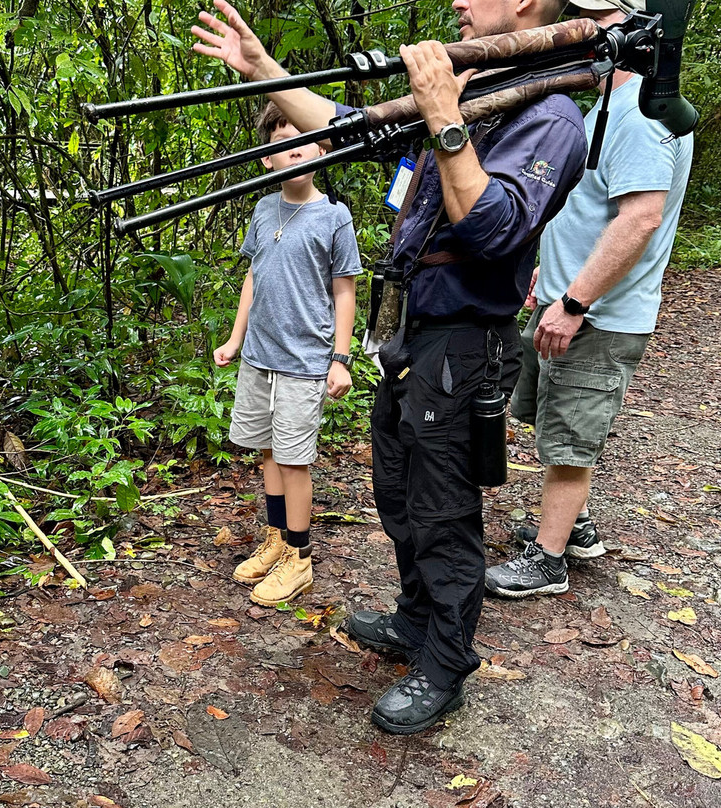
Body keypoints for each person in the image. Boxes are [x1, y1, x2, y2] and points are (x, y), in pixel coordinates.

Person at [195, 0, 587, 733]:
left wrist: (445, 116)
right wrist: (264, 72)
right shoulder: (474, 87)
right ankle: (414, 620)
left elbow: (496, 228)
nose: (459, 5)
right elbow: (345, 124)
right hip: (408, 332)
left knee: (443, 507)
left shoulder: (552, 115)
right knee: (398, 489)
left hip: (465, 339)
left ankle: (445, 661)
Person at [484, 0, 694, 599]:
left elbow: (640, 219)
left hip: (596, 314)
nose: (579, 33)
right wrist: (545, 277)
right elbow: (586, 210)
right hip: (567, 298)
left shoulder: (642, 115)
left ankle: (547, 560)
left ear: (632, 31)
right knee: (554, 422)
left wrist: (574, 303)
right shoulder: (611, 102)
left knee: (571, 435)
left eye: (593, 23)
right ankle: (572, 526)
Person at [214, 101, 363, 607]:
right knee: (267, 451)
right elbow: (253, 278)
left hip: (305, 361)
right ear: (267, 158)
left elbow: (345, 291)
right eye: (282, 143)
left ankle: (299, 558)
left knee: (295, 459)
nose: (293, 148)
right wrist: (235, 340)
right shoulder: (262, 210)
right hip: (260, 356)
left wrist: (340, 358)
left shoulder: (334, 217)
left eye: (303, 139)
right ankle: (278, 537)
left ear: (323, 148)